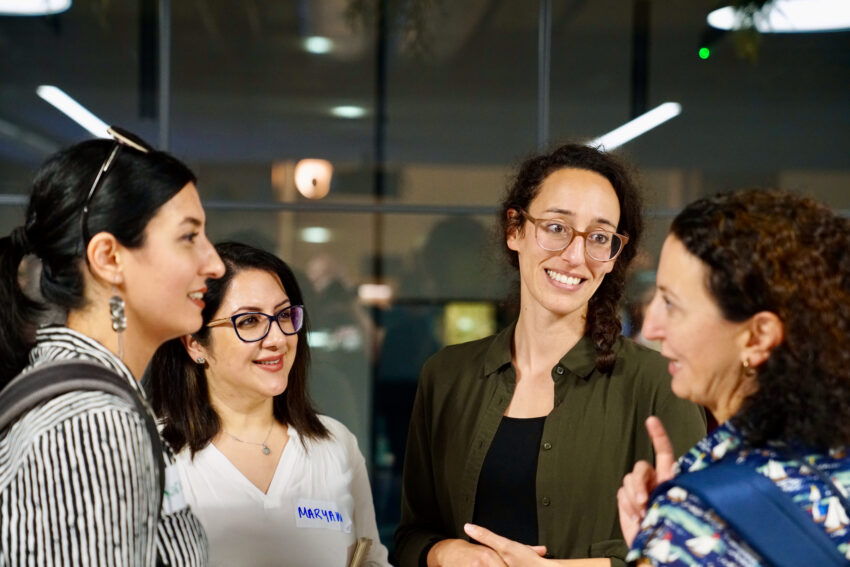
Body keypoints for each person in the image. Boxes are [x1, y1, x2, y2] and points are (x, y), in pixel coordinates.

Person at [394, 143, 706, 567]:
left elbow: (696, 552)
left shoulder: (658, 384)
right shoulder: (446, 375)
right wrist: (447, 553)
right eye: (557, 228)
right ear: (515, 229)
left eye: (599, 237)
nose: (576, 256)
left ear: (615, 256)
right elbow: (411, 536)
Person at [0, 127, 225, 565]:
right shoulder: (95, 423)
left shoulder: (85, 395)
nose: (214, 263)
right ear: (109, 258)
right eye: (188, 236)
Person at [615, 189, 850, 565]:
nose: (653, 326)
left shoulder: (696, 521)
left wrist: (675, 532)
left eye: (671, 303)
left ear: (757, 337)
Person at [149, 241, 391, 567]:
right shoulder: (154, 455)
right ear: (195, 343)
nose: (277, 339)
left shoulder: (335, 445)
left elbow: (372, 560)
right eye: (249, 321)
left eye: (283, 315)